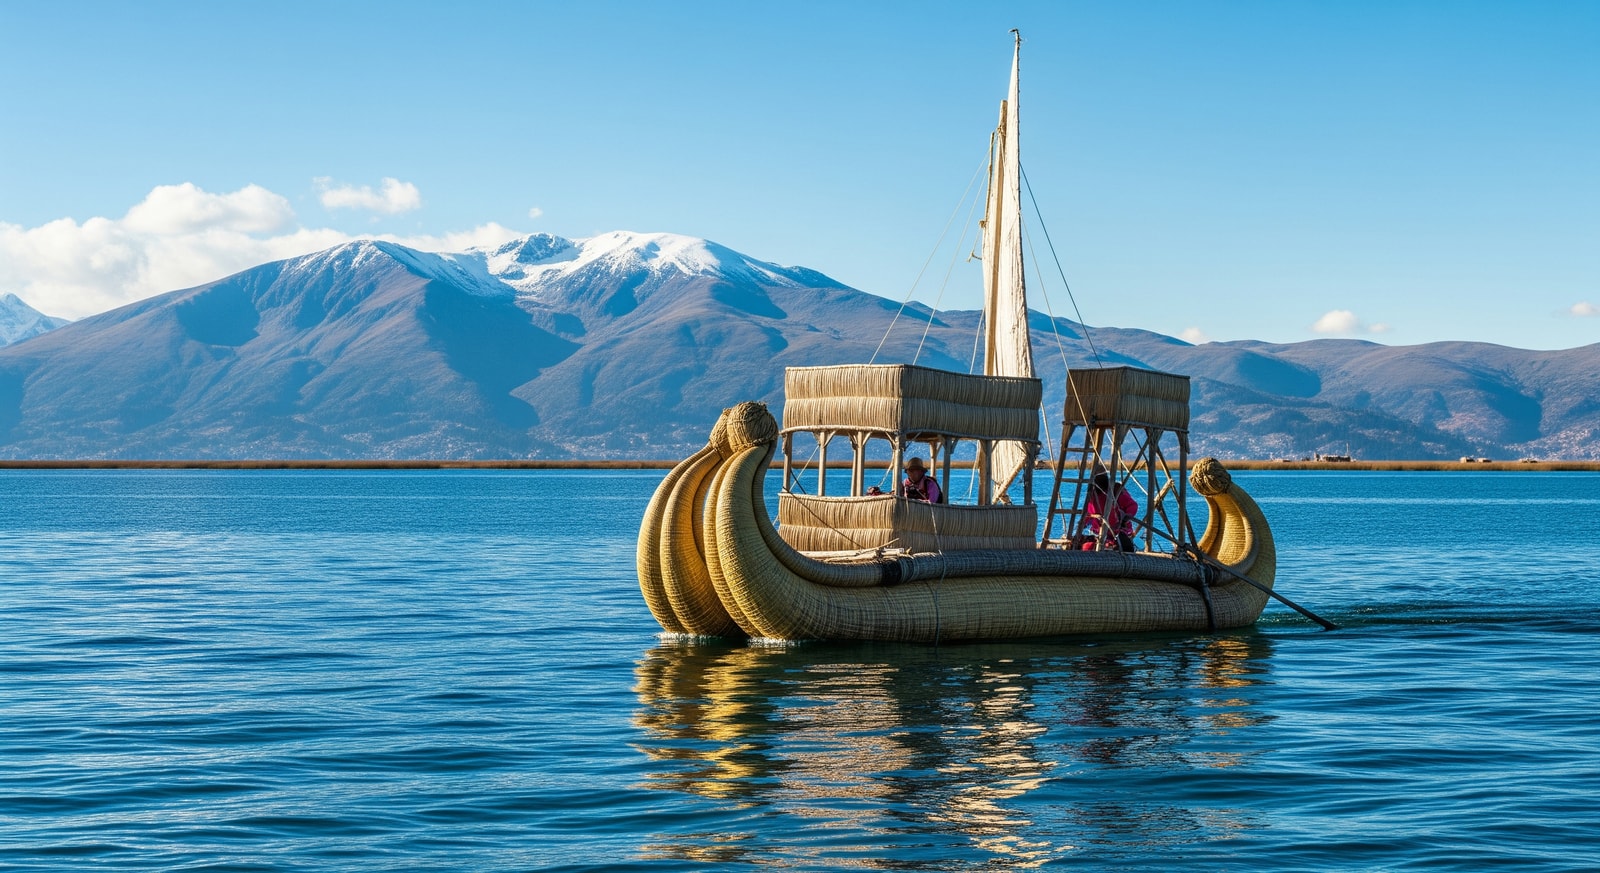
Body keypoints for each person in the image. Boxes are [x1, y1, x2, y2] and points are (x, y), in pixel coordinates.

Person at [1081, 472, 1137, 551]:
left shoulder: (1115, 491)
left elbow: (1132, 505)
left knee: (1122, 544)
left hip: (1118, 531)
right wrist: (1082, 524)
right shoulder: (1093, 495)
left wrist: (1125, 518)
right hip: (1098, 532)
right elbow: (1088, 514)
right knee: (1087, 546)